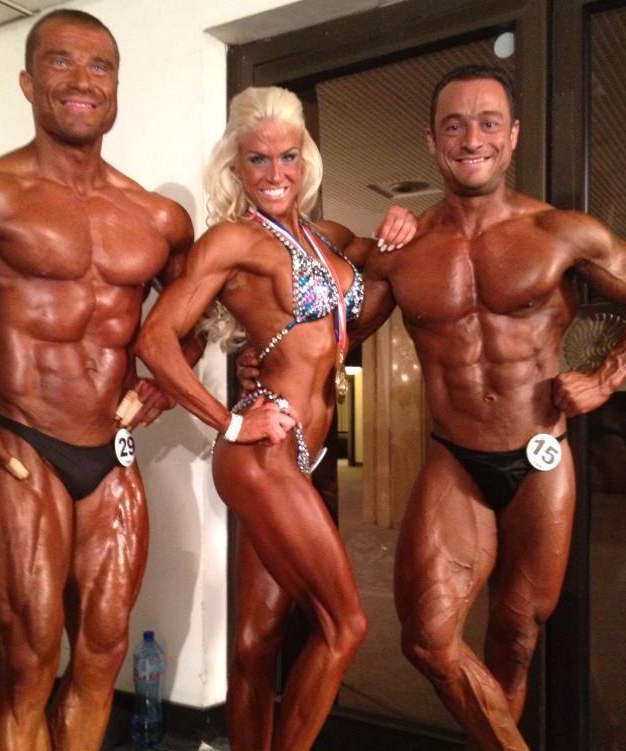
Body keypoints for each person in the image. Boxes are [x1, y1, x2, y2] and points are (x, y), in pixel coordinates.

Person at [0, 9, 194, 750]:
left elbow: (189, 317)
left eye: (100, 66)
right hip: (21, 443)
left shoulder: (158, 217)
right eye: (61, 62)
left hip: (113, 457)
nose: (82, 80)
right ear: (27, 82)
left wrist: (164, 382)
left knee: (102, 661)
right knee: (28, 669)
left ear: (117, 87)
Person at [351, 65, 626, 751]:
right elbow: (337, 335)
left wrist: (606, 379)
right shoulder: (403, 251)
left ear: (513, 135)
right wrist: (257, 351)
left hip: (540, 457)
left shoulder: (563, 233)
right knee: (427, 637)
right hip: (455, 458)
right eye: (454, 125)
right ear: (431, 140)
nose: (472, 138)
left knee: (517, 636)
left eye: (488, 123)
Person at [134, 86, 416, 751]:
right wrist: (230, 424)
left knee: (256, 640)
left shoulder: (326, 238)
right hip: (261, 454)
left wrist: (404, 223)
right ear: (235, 166)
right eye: (257, 159)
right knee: (346, 625)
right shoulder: (234, 241)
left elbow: (379, 273)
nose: (274, 172)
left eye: (287, 156)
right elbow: (155, 339)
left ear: (305, 159)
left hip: (301, 455)